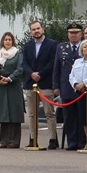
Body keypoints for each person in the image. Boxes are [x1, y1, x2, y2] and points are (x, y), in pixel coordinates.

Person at [22, 20, 59, 150]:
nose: (36, 31)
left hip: (46, 82)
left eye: (38, 28)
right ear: (30, 32)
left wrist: (40, 74)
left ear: (42, 29)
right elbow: (24, 63)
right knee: (32, 114)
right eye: (33, 29)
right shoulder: (27, 46)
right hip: (30, 83)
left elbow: (52, 62)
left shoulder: (52, 44)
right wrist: (31, 73)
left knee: (49, 112)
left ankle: (52, 139)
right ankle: (33, 139)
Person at [53, 23, 86, 150]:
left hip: (81, 88)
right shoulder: (61, 47)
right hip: (66, 87)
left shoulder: (85, 47)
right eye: (71, 33)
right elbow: (57, 68)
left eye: (76, 32)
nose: (73, 35)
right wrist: (56, 86)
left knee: (81, 115)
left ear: (80, 34)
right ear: (68, 34)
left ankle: (82, 141)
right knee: (69, 116)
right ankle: (72, 141)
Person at [0, 31, 24, 149]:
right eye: (6, 40)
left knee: (14, 114)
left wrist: (10, 78)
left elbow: (20, 69)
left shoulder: (18, 54)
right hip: (1, 88)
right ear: (2, 42)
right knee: (3, 114)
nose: (7, 42)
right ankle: (4, 141)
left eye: (9, 40)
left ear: (12, 41)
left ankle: (14, 141)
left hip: (13, 87)